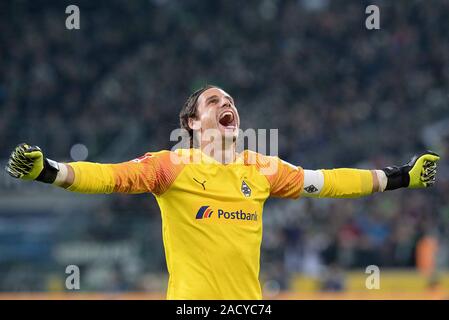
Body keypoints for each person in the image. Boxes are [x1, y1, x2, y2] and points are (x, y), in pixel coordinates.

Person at [5, 85, 440, 299]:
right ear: (192, 123)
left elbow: (328, 181)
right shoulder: (170, 166)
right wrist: (50, 171)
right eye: (214, 101)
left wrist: (399, 176)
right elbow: (109, 176)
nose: (226, 103)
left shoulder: (263, 169)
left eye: (229, 99)